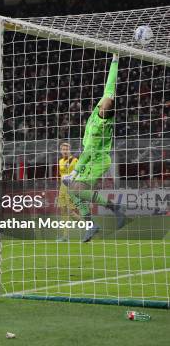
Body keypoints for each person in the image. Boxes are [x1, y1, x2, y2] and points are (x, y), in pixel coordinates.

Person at [63, 54, 126, 242]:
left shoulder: (100, 128)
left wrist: (74, 173)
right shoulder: (102, 105)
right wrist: (114, 61)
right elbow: (110, 84)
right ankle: (91, 225)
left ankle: (114, 209)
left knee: (76, 189)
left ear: (106, 113)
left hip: (97, 159)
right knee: (72, 192)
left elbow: (87, 153)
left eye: (105, 106)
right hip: (91, 157)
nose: (102, 105)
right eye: (103, 103)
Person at [56, 142, 80, 242]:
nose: (65, 151)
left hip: (71, 187)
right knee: (63, 212)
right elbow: (61, 174)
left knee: (70, 212)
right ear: (61, 150)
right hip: (62, 188)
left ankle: (90, 226)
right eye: (63, 149)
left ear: (69, 150)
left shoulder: (75, 160)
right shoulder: (60, 161)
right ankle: (65, 236)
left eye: (67, 149)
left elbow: (78, 173)